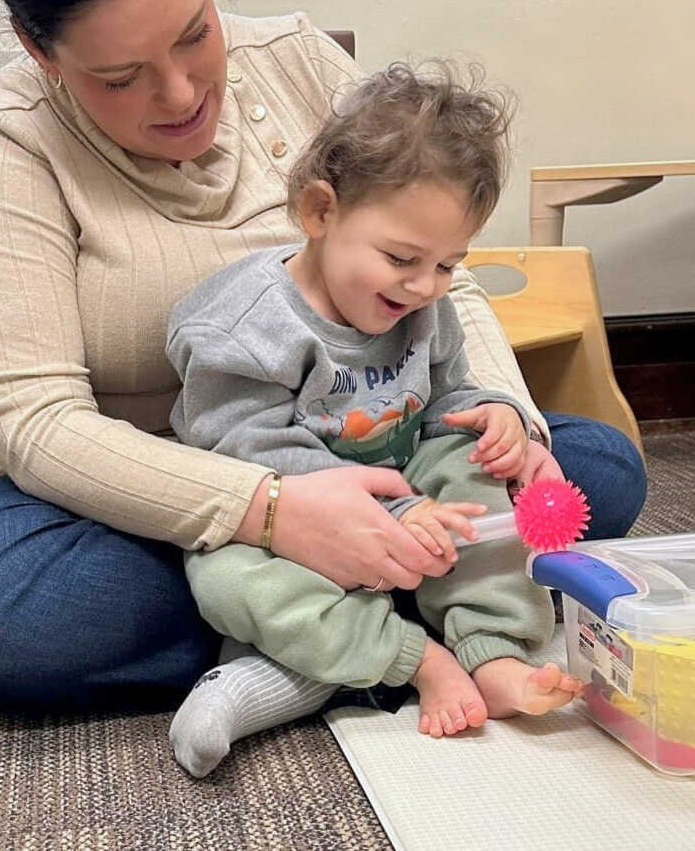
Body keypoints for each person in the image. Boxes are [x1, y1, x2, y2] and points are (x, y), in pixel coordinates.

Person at [0, 0, 646, 716]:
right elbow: (35, 424)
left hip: (376, 444)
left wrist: (511, 424)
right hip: (131, 497)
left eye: (193, 34)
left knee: (594, 470)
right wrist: (272, 512)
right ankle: (413, 604)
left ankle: (330, 621)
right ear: (37, 49)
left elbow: (443, 283)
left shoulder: (297, 61)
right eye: (119, 75)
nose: (179, 95)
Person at [165, 63, 585, 777]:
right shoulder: (246, 325)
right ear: (320, 212)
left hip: (408, 500)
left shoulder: (423, 305)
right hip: (285, 517)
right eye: (401, 259)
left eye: (448, 265)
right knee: (225, 574)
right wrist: (395, 511)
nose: (424, 286)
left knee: (477, 459)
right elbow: (243, 448)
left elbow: (449, 392)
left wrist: (497, 416)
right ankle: (407, 657)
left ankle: (491, 647)